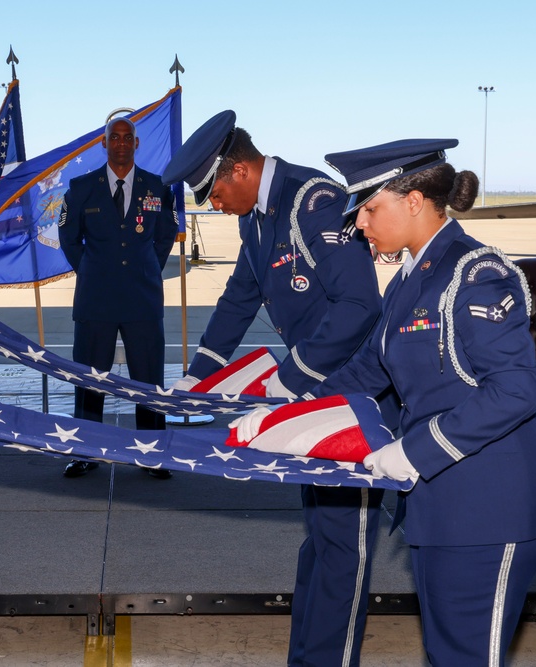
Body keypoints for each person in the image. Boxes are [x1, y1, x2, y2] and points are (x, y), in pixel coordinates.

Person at [235, 139, 536, 666]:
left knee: (463, 656)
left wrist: (415, 452)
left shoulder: (473, 274)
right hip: (444, 506)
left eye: (370, 209)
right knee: (446, 652)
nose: (359, 224)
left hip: (494, 507)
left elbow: (516, 389)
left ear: (413, 200)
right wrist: (288, 412)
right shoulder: (411, 279)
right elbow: (369, 370)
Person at [162, 110, 386, 667]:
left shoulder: (314, 202)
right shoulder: (257, 216)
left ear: (238, 170)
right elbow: (242, 294)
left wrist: (290, 380)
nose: (213, 205)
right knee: (321, 540)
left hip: (351, 400)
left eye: (213, 192)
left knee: (343, 548)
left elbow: (361, 305)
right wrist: (199, 374)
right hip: (315, 398)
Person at [57, 115, 178, 479]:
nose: (122, 143)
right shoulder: (81, 188)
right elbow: (68, 239)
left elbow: (165, 237)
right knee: (91, 379)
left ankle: (152, 453)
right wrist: (96, 272)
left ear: (136, 144)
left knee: (148, 379)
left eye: (128, 138)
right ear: (104, 143)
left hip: (143, 298)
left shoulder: (157, 188)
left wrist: (142, 269)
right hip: (96, 301)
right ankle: (86, 451)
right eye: (115, 137)